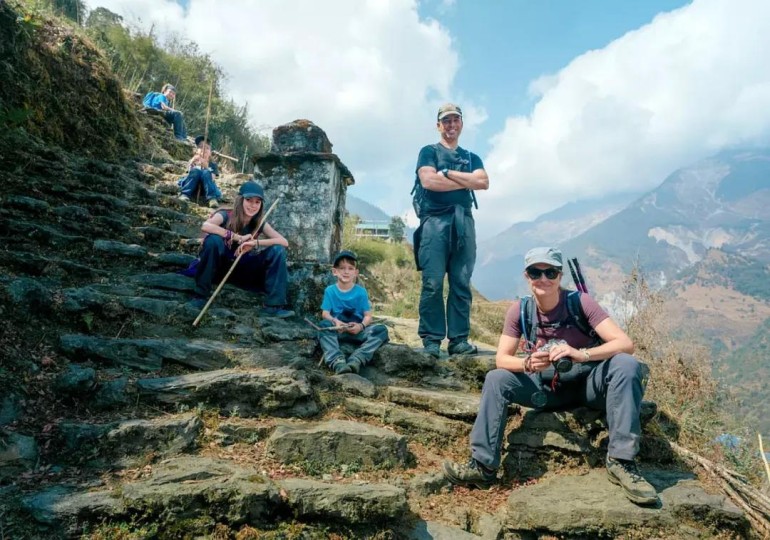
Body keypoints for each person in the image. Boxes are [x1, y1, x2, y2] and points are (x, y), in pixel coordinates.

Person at [442, 247, 658, 506]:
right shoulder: (521, 311)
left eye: (550, 273)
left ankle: (622, 461)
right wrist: (527, 363)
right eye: (536, 272)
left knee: (626, 364)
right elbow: (502, 359)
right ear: (527, 276)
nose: (543, 279)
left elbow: (625, 343)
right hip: (544, 389)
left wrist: (581, 354)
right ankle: (483, 465)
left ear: (560, 276)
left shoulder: (580, 303)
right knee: (496, 379)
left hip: (589, 385)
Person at [414, 103, 489, 359]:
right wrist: (465, 181)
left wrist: (447, 174)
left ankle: (459, 340)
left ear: (462, 124)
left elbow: (483, 182)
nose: (451, 125)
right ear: (438, 125)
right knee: (433, 282)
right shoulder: (428, 152)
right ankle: (431, 341)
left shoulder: (471, 157)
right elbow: (428, 180)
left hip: (463, 223)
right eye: (446, 121)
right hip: (434, 223)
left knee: (461, 282)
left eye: (455, 120)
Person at [186, 180, 294, 318]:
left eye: (257, 202)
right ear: (240, 200)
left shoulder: (259, 223)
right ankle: (200, 296)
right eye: (249, 200)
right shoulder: (226, 215)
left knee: (278, 250)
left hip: (243, 270)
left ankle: (273, 307)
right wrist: (237, 237)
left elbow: (284, 242)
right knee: (213, 240)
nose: (253, 205)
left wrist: (255, 243)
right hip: (219, 267)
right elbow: (206, 226)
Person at [318, 250, 389, 375]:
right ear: (335, 271)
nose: (346, 272)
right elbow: (325, 313)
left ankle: (357, 359)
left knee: (381, 330)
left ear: (356, 273)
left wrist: (361, 326)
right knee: (323, 326)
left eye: (350, 268)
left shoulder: (361, 292)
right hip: (338, 330)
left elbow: (368, 316)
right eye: (342, 268)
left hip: (357, 332)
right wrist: (335, 321)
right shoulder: (330, 290)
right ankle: (337, 362)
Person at [178, 135, 222, 208]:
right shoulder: (194, 161)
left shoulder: (213, 165)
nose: (204, 150)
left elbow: (212, 178)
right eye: (201, 147)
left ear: (210, 152)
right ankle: (185, 194)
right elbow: (188, 174)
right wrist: (192, 162)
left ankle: (212, 199)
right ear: (196, 151)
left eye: (207, 148)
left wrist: (206, 167)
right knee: (195, 171)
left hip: (206, 188)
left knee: (206, 173)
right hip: (193, 186)